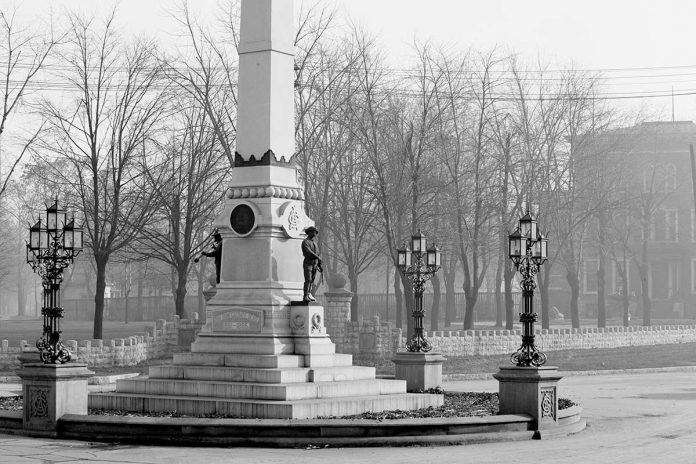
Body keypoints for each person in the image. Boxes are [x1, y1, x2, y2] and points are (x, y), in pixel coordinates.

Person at [301, 226, 322, 302]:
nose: (314, 234)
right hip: (308, 263)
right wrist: (317, 257)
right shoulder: (305, 242)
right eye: (312, 232)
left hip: (315, 264)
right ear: (309, 233)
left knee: (312, 281)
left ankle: (309, 294)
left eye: (315, 232)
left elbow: (318, 254)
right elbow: (308, 252)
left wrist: (320, 265)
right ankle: (305, 296)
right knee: (308, 279)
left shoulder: (315, 244)